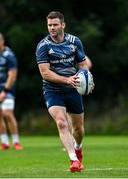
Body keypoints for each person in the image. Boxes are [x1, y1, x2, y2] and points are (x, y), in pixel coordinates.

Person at [35, 11, 92, 172]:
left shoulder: (75, 42)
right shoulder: (43, 46)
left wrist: (85, 79)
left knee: (78, 129)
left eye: (55, 25)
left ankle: (78, 147)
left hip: (73, 90)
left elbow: (83, 65)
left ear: (63, 25)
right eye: (49, 25)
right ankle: (73, 160)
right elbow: (45, 73)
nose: (52, 28)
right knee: (61, 122)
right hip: (52, 90)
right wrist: (67, 79)